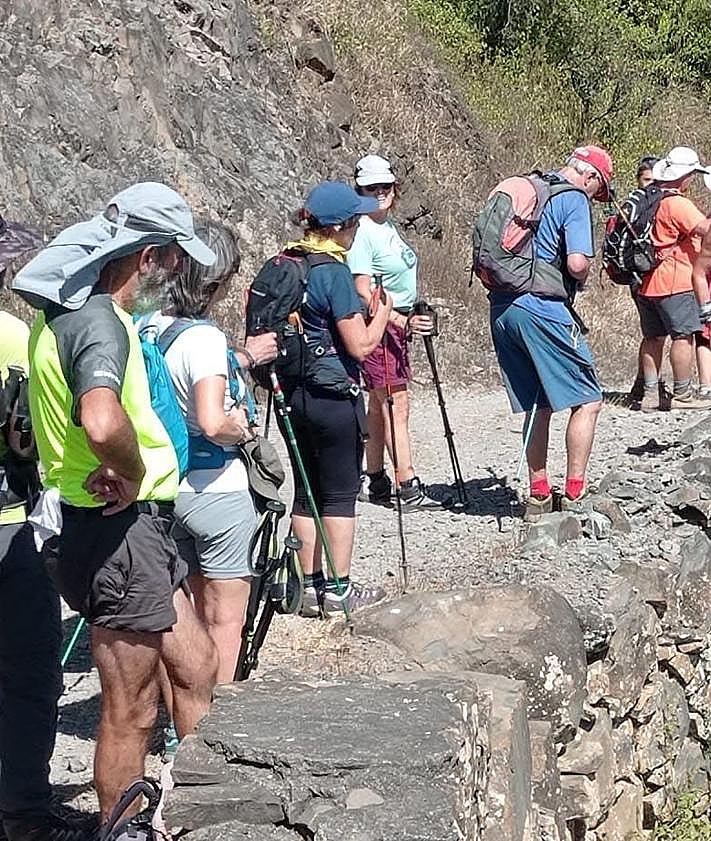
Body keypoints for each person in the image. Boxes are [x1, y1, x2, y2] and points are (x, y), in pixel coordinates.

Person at [13, 183, 219, 824]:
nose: (181, 271)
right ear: (148, 257)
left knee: (195, 664)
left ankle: (206, 806)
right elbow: (101, 421)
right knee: (130, 706)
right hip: (118, 530)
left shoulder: (70, 313)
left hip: (124, 531)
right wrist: (127, 471)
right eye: (177, 256)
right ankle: (122, 830)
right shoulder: (100, 320)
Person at [138, 221, 278, 686]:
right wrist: (240, 428)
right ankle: (211, 723)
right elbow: (213, 420)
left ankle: (177, 715)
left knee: (181, 614)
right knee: (222, 618)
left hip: (164, 483)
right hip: (217, 488)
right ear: (216, 282)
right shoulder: (204, 338)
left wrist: (240, 359)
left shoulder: (148, 325)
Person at [0, 220, 91, 841]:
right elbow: (36, 441)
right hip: (9, 528)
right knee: (29, 672)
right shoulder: (17, 337)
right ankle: (24, 811)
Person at [276, 181, 392, 616]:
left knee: (306, 492)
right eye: (356, 220)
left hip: (290, 393)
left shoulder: (287, 263)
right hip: (332, 396)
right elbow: (360, 345)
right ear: (342, 226)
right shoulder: (333, 273)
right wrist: (381, 312)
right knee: (341, 494)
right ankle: (340, 590)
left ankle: (308, 588)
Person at [488, 145, 613, 518]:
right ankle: (576, 492)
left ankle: (539, 493)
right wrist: (585, 269)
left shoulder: (530, 189)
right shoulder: (574, 199)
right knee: (588, 399)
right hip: (543, 308)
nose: (594, 196)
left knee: (538, 402)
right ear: (590, 177)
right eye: (598, 189)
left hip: (503, 307)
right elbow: (576, 263)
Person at [347, 154, 442, 509]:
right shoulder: (363, 232)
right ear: (359, 190)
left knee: (378, 401)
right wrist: (399, 321)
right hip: (381, 324)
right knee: (394, 404)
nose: (380, 192)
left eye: (385, 186)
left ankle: (375, 479)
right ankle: (407, 482)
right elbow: (362, 288)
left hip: (396, 321)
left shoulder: (386, 226)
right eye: (372, 188)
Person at [636, 147, 711, 410]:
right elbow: (706, 229)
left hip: (646, 281)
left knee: (653, 338)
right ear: (686, 175)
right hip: (675, 280)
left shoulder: (648, 197)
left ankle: (649, 394)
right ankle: (682, 394)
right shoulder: (677, 203)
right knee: (684, 336)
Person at [629, 155, 660, 402]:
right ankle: (645, 387)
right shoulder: (640, 205)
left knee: (652, 333)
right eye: (646, 179)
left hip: (645, 274)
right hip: (641, 275)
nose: (650, 185)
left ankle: (642, 385)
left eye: (654, 180)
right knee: (655, 334)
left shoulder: (635, 203)